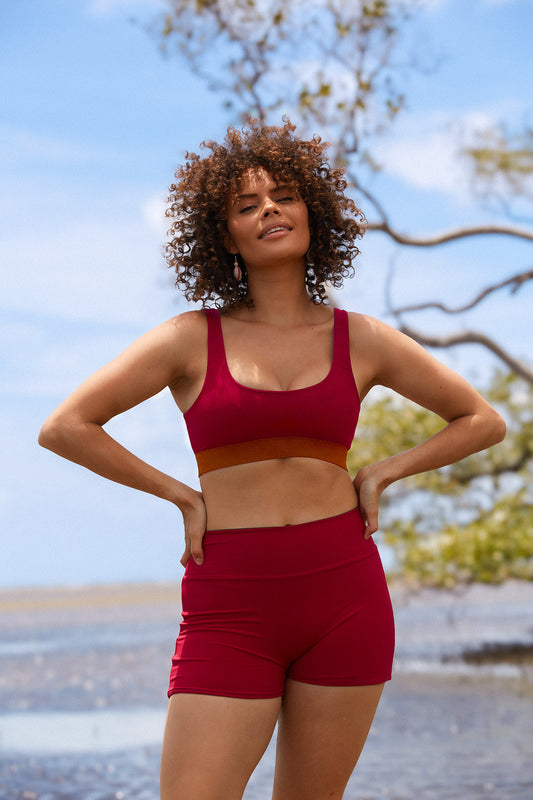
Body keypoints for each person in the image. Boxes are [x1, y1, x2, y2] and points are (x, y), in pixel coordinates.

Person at [39, 118, 506, 800]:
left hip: (345, 593)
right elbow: (66, 426)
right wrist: (180, 494)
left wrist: (381, 470)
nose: (268, 211)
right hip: (230, 599)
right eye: (245, 205)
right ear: (223, 235)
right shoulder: (188, 339)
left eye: (283, 196)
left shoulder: (364, 339)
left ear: (310, 213)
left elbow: (481, 420)